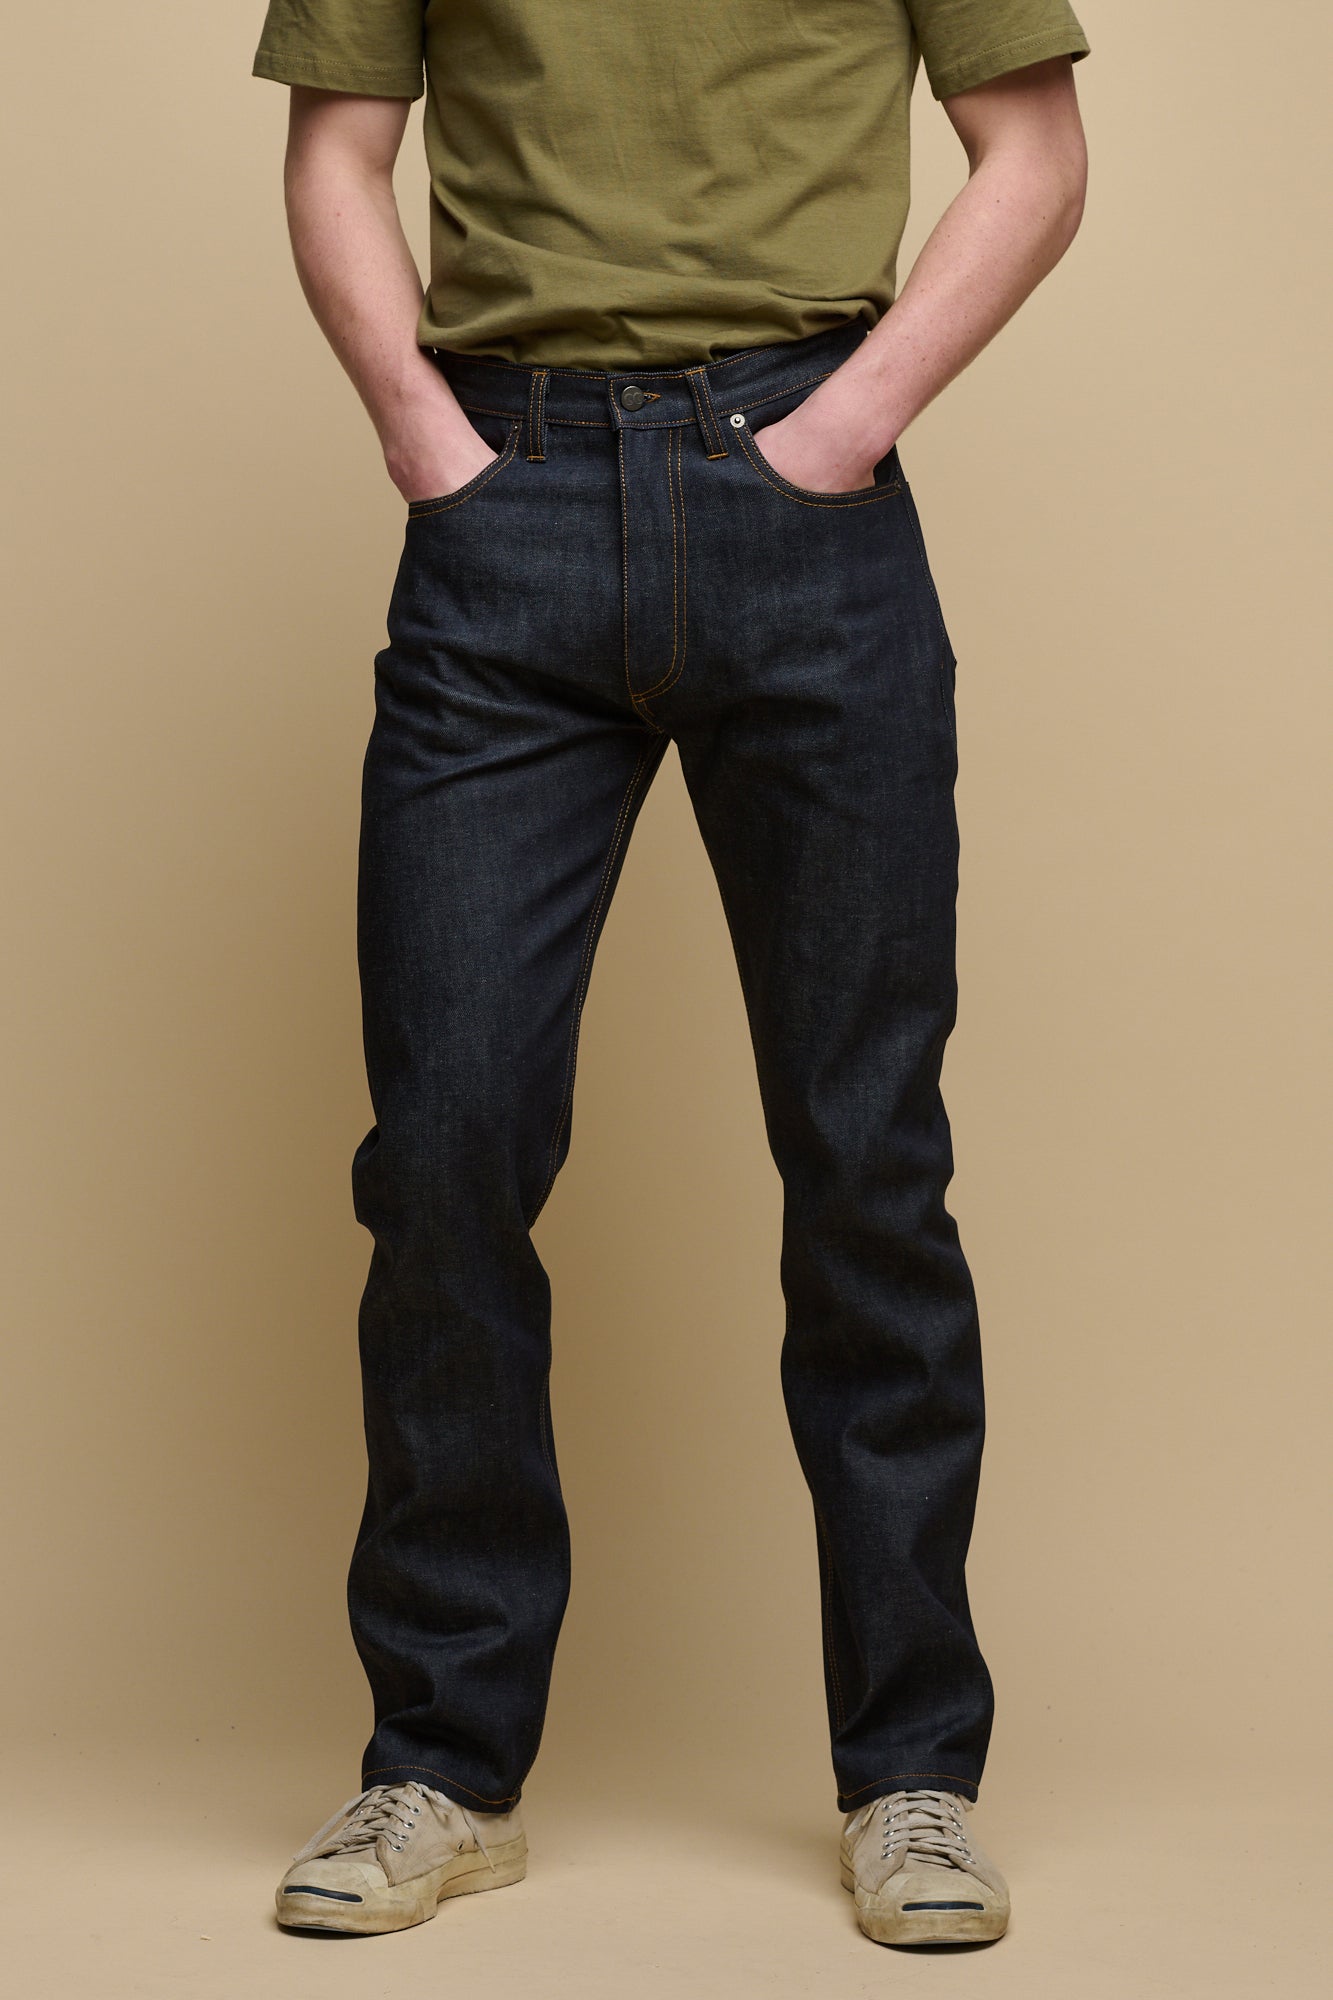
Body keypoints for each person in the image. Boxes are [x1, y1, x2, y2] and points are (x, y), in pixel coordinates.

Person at [251, 0, 1089, 1950]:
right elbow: (336, 155)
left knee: (865, 1163)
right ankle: (442, 1761)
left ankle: (913, 1775)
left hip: (807, 496)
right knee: (446, 1145)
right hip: (504, 511)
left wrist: (844, 425)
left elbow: (1034, 154)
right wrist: (423, 440)